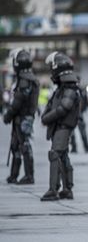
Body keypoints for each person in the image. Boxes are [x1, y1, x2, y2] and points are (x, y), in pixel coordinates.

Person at [40, 52, 81, 201]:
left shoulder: (69, 89)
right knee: (62, 156)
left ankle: (53, 189)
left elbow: (64, 107)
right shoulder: (63, 88)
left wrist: (47, 118)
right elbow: (53, 105)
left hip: (63, 126)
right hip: (59, 126)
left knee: (55, 154)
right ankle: (67, 189)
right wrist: (46, 117)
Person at [3, 48, 39, 184]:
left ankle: (29, 176)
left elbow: (17, 101)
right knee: (16, 146)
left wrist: (8, 115)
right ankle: (14, 175)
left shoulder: (25, 81)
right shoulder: (28, 79)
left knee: (24, 146)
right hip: (22, 118)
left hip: (22, 118)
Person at [70, 84, 88, 153]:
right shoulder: (80, 91)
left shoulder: (77, 91)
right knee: (77, 133)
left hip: (76, 114)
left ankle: (77, 148)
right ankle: (84, 148)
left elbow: (85, 102)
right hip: (77, 114)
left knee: (78, 132)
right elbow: (86, 102)